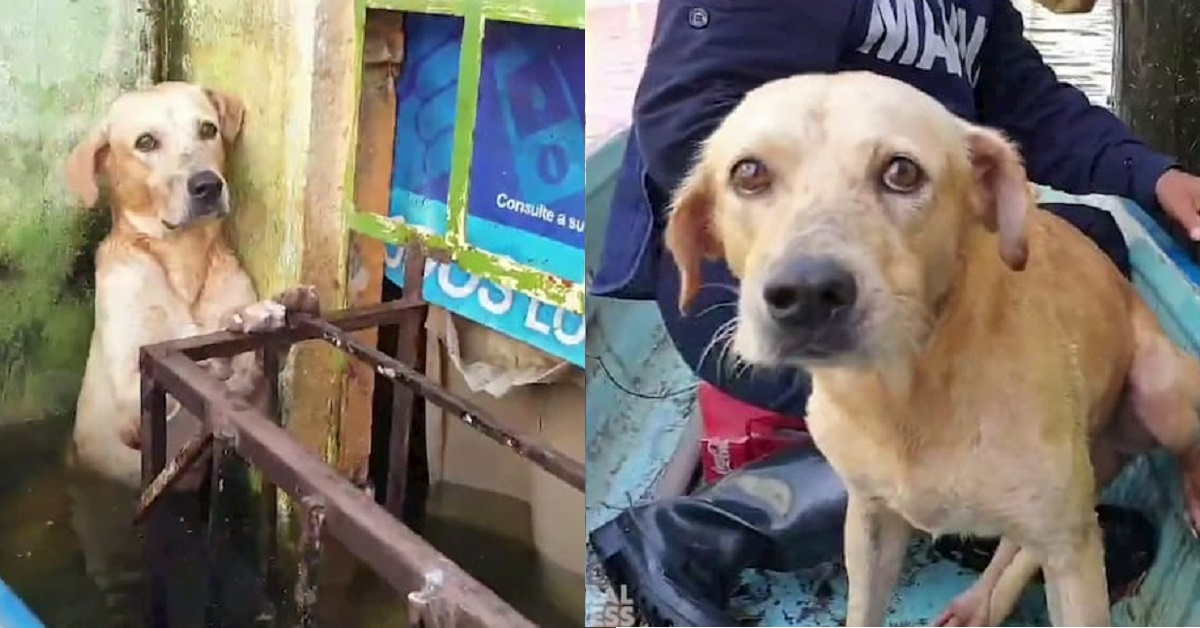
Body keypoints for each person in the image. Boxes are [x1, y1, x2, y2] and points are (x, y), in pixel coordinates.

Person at [588, 0, 1200, 625]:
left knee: (1097, 232)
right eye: (753, 177)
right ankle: (704, 528)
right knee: (893, 450)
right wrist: (861, 187)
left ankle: (1004, 506)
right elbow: (690, 126)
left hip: (919, 260)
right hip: (753, 285)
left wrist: (1151, 175)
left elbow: (1029, 104)